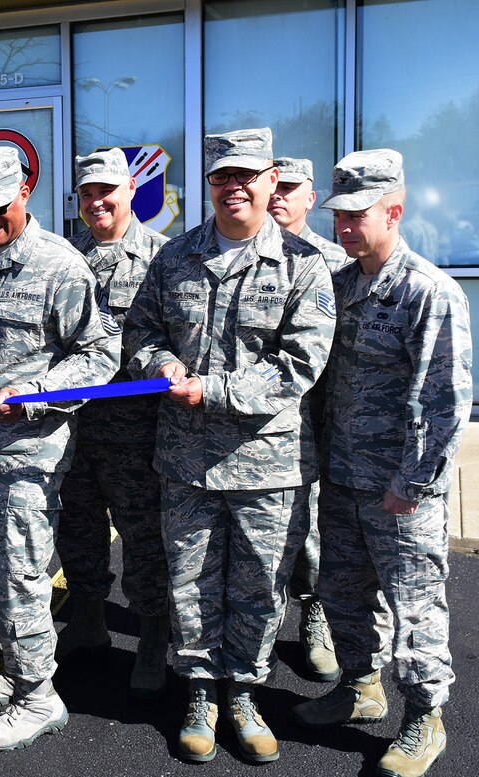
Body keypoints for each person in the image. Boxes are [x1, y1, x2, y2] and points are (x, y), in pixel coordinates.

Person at [123, 128, 335, 764]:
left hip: (267, 465)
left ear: (273, 181)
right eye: (221, 177)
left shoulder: (303, 264)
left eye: (247, 176)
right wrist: (157, 363)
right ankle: (199, 692)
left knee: (260, 588)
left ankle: (243, 692)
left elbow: (303, 361)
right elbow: (140, 332)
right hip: (187, 462)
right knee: (189, 582)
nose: (234, 187)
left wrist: (209, 391)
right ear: (208, 185)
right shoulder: (174, 258)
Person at [293, 149, 472, 777]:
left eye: (357, 215)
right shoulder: (340, 286)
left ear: (394, 210)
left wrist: (413, 483)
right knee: (343, 594)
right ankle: (360, 687)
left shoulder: (429, 291)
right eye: (338, 214)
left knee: (415, 604)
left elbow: (446, 400)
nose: (343, 227)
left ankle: (425, 715)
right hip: (342, 477)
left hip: (400, 488)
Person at [0, 146, 119, 751]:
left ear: (25, 194)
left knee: (20, 572)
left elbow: (99, 355)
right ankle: (16, 666)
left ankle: (39, 695)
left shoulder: (61, 267)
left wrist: (40, 389)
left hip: (28, 454)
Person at [54, 147, 172, 700]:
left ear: (130, 192)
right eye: (86, 193)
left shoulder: (163, 260)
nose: (97, 202)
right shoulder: (61, 255)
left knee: (144, 537)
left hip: (135, 432)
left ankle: (152, 634)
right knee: (75, 527)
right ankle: (87, 619)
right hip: (72, 427)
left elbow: (171, 342)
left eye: (107, 190)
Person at [268, 155, 348, 683]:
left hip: (321, 420)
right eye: (274, 186)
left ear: (310, 199)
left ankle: (315, 617)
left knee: (315, 535)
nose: (278, 196)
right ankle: (260, 633)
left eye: (290, 188)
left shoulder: (336, 262)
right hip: (271, 428)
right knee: (273, 538)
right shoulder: (239, 253)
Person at [270, 157, 349, 271]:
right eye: (271, 188)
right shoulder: (240, 249)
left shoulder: (334, 259)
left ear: (310, 200)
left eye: (286, 188)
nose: (275, 195)